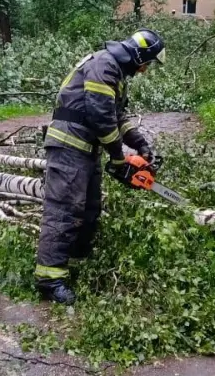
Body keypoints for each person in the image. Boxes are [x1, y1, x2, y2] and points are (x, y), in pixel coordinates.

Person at [34, 28, 166, 304]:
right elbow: (101, 117)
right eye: (147, 63)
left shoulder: (115, 72)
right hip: (69, 147)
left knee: (90, 209)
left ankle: (77, 260)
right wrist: (119, 159)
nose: (144, 70)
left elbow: (118, 116)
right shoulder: (103, 66)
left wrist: (142, 145)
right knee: (64, 212)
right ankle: (49, 280)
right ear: (139, 56)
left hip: (86, 150)